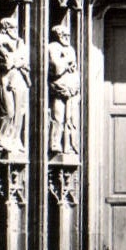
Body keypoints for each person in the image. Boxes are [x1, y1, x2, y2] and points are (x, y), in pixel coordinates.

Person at [0, 12, 30, 160]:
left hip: (19, 79)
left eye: (16, 28)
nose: (15, 30)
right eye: (12, 28)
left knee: (20, 112)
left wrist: (17, 59)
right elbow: (7, 61)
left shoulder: (20, 42)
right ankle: (3, 140)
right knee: (8, 111)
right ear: (5, 28)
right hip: (6, 79)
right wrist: (18, 59)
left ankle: (15, 139)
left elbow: (26, 61)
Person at [47, 20, 80, 157]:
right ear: (57, 35)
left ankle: (70, 146)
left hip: (71, 89)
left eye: (68, 35)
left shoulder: (70, 49)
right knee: (58, 117)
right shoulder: (52, 47)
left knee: (71, 119)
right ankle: (55, 143)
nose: (66, 38)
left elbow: (74, 68)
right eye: (63, 35)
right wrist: (66, 62)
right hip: (58, 89)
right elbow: (56, 68)